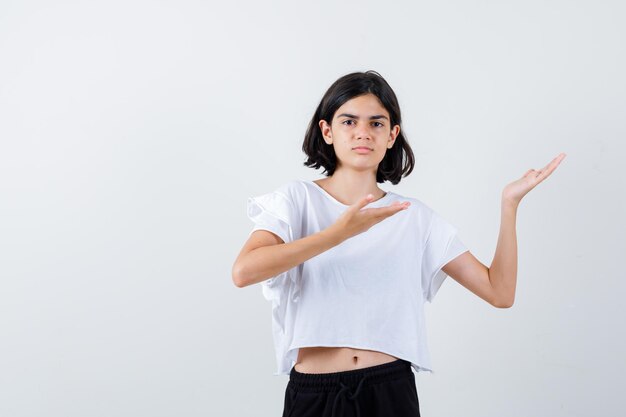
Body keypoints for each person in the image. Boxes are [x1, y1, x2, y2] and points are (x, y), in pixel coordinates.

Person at [232, 70, 566, 417]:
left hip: (388, 390)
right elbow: (244, 271)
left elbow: (500, 292)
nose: (363, 132)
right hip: (316, 393)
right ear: (326, 131)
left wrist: (509, 204)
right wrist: (338, 233)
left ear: (392, 135)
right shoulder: (296, 200)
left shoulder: (413, 216)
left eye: (377, 123)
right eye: (349, 121)